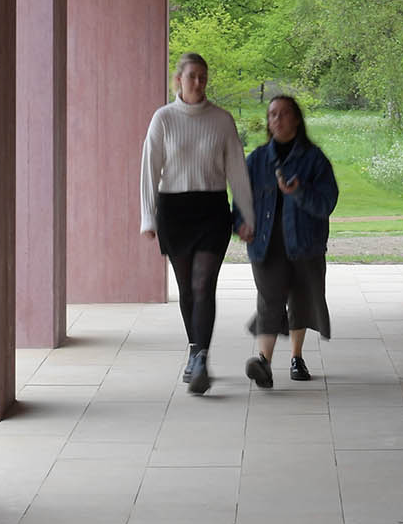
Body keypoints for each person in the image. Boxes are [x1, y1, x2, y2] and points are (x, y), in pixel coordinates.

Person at [140, 53, 254, 394]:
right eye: (192, 76)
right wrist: (148, 216)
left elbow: (237, 170)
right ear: (179, 80)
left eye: (203, 77)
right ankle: (195, 351)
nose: (198, 83)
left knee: (204, 285)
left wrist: (245, 214)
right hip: (174, 210)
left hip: (211, 209)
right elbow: (149, 168)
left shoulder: (222, 120)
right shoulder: (163, 119)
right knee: (188, 288)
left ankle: (201, 357)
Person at [237, 95, 338, 389]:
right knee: (269, 299)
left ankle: (296, 357)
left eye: (283, 114)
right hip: (266, 244)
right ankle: (264, 363)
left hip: (305, 242)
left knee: (301, 300)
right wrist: (241, 224)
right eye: (272, 115)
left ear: (296, 119)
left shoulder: (314, 159)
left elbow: (327, 202)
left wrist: (299, 192)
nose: (277, 120)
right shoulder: (256, 160)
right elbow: (241, 200)